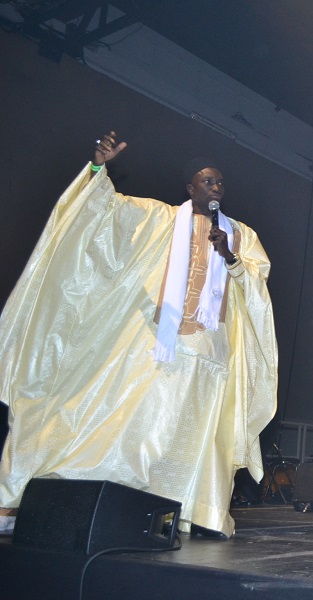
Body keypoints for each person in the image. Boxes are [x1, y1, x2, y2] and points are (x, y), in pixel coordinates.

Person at [0, 132, 277, 538]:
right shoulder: (159, 218)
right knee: (143, 428)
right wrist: (98, 168)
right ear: (190, 188)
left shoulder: (242, 235)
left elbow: (257, 284)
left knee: (195, 437)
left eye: (220, 182)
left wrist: (229, 256)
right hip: (163, 347)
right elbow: (104, 215)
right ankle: (85, 500)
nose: (216, 188)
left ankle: (191, 511)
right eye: (208, 181)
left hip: (211, 354)